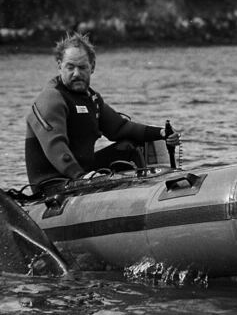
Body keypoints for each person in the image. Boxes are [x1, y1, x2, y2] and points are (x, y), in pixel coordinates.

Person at [24, 32, 181, 195]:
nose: (76, 73)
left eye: (82, 67)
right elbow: (56, 148)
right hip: (53, 186)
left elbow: (120, 128)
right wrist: (81, 177)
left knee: (129, 147)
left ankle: (151, 191)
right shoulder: (51, 99)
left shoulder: (92, 99)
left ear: (92, 67)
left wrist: (162, 133)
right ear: (59, 66)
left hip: (82, 177)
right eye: (70, 67)